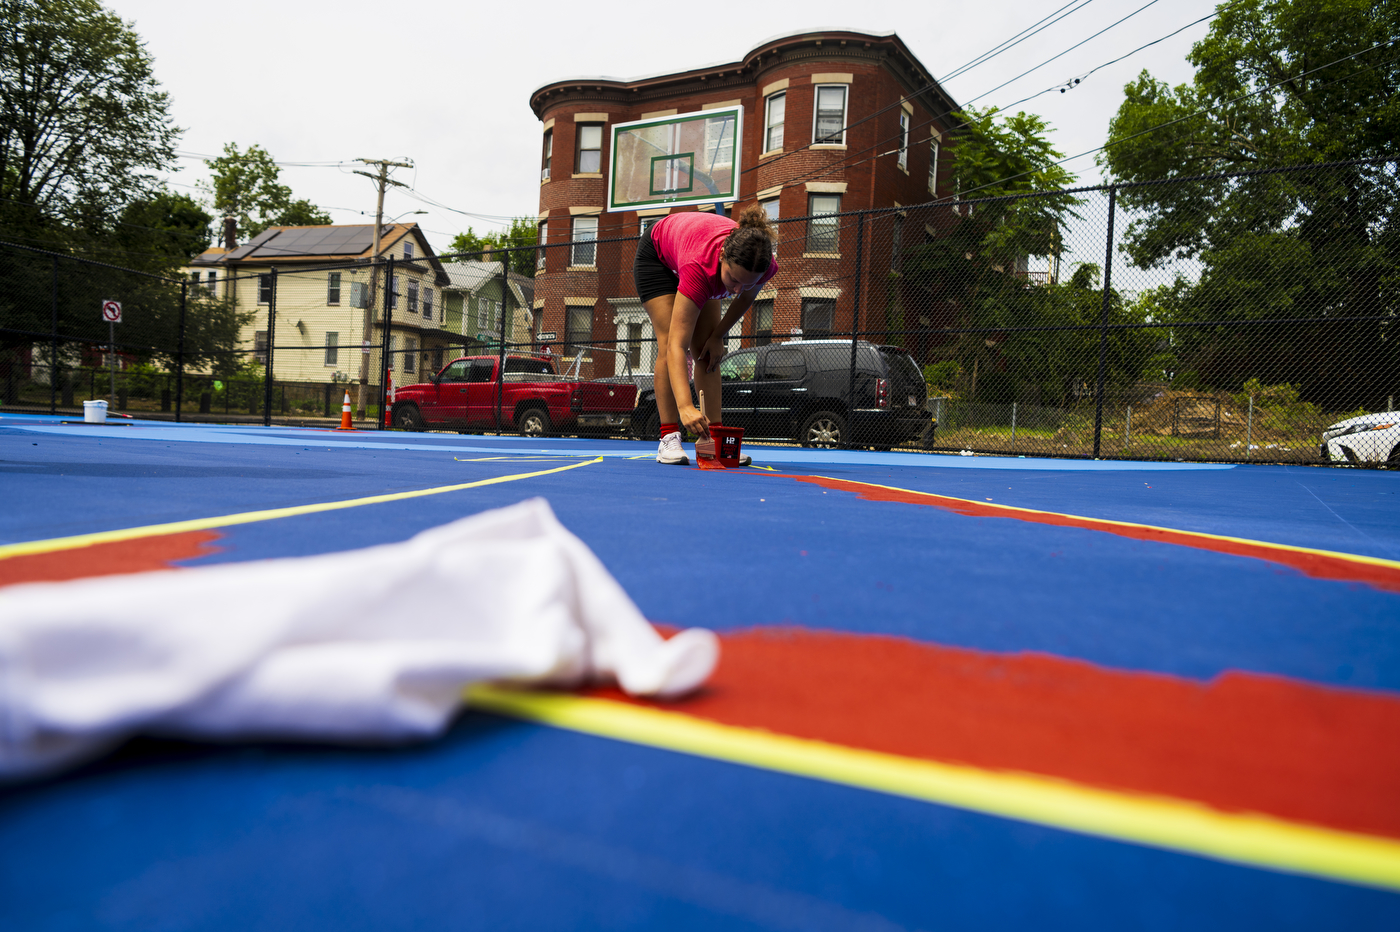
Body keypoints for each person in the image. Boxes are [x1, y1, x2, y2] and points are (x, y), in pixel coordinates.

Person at [633, 205, 779, 464]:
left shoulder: (763, 265)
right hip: (657, 255)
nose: (736, 289)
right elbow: (677, 346)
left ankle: (716, 439)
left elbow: (744, 300)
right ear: (722, 255)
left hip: (693, 250)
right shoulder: (700, 267)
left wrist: (717, 336)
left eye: (747, 283)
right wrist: (686, 407)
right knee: (668, 339)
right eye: (733, 279)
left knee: (707, 353)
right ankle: (669, 438)